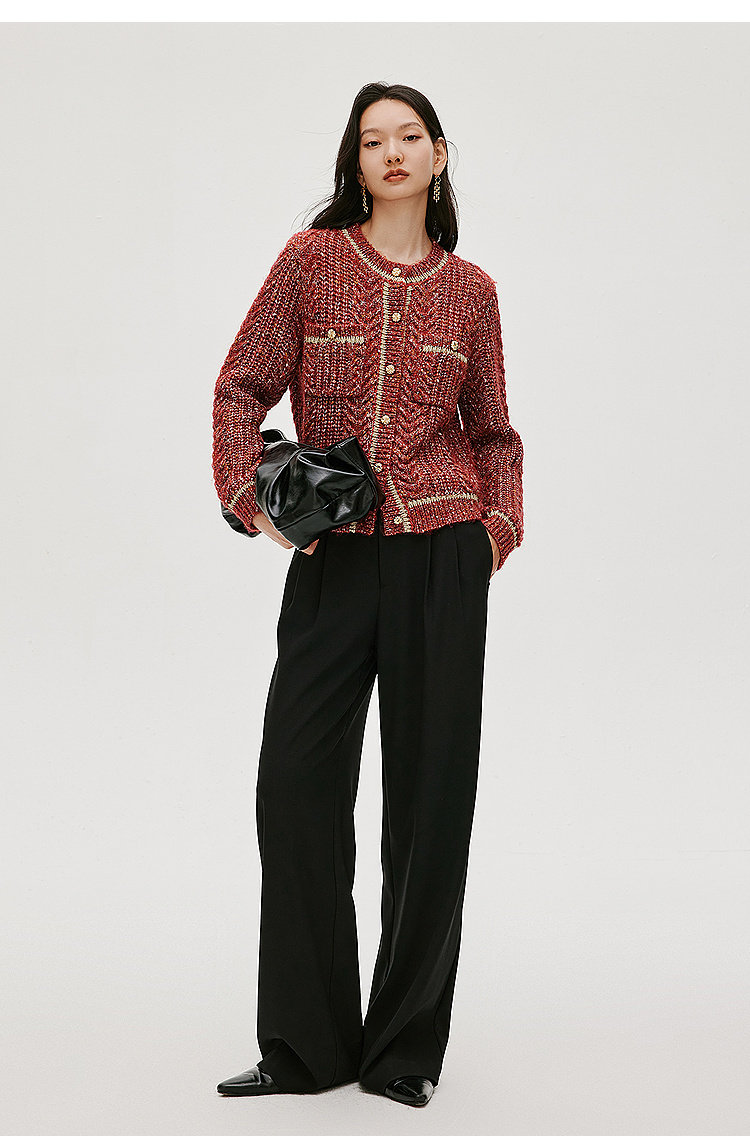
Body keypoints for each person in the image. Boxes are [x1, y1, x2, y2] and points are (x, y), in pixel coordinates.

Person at [212, 82, 524, 1108]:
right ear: (355, 161)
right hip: (333, 558)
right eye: (372, 139)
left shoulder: (471, 291)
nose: (392, 152)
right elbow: (241, 387)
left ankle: (402, 1050)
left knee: (430, 802)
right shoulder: (309, 262)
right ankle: (305, 1045)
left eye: (409, 136)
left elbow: (494, 432)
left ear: (439, 154)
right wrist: (250, 496)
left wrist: (494, 531)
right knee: (295, 789)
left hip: (443, 558)